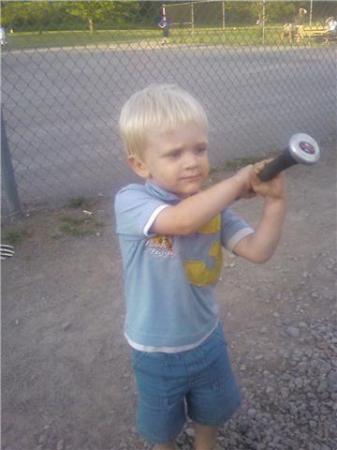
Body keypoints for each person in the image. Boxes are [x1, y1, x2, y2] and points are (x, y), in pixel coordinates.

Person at [115, 84, 286, 450]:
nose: (192, 161)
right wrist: (238, 181)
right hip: (155, 350)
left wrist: (274, 204)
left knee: (212, 415)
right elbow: (180, 222)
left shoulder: (212, 206)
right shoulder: (132, 201)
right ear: (140, 164)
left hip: (207, 339)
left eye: (200, 149)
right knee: (162, 431)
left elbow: (257, 250)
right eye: (174, 154)